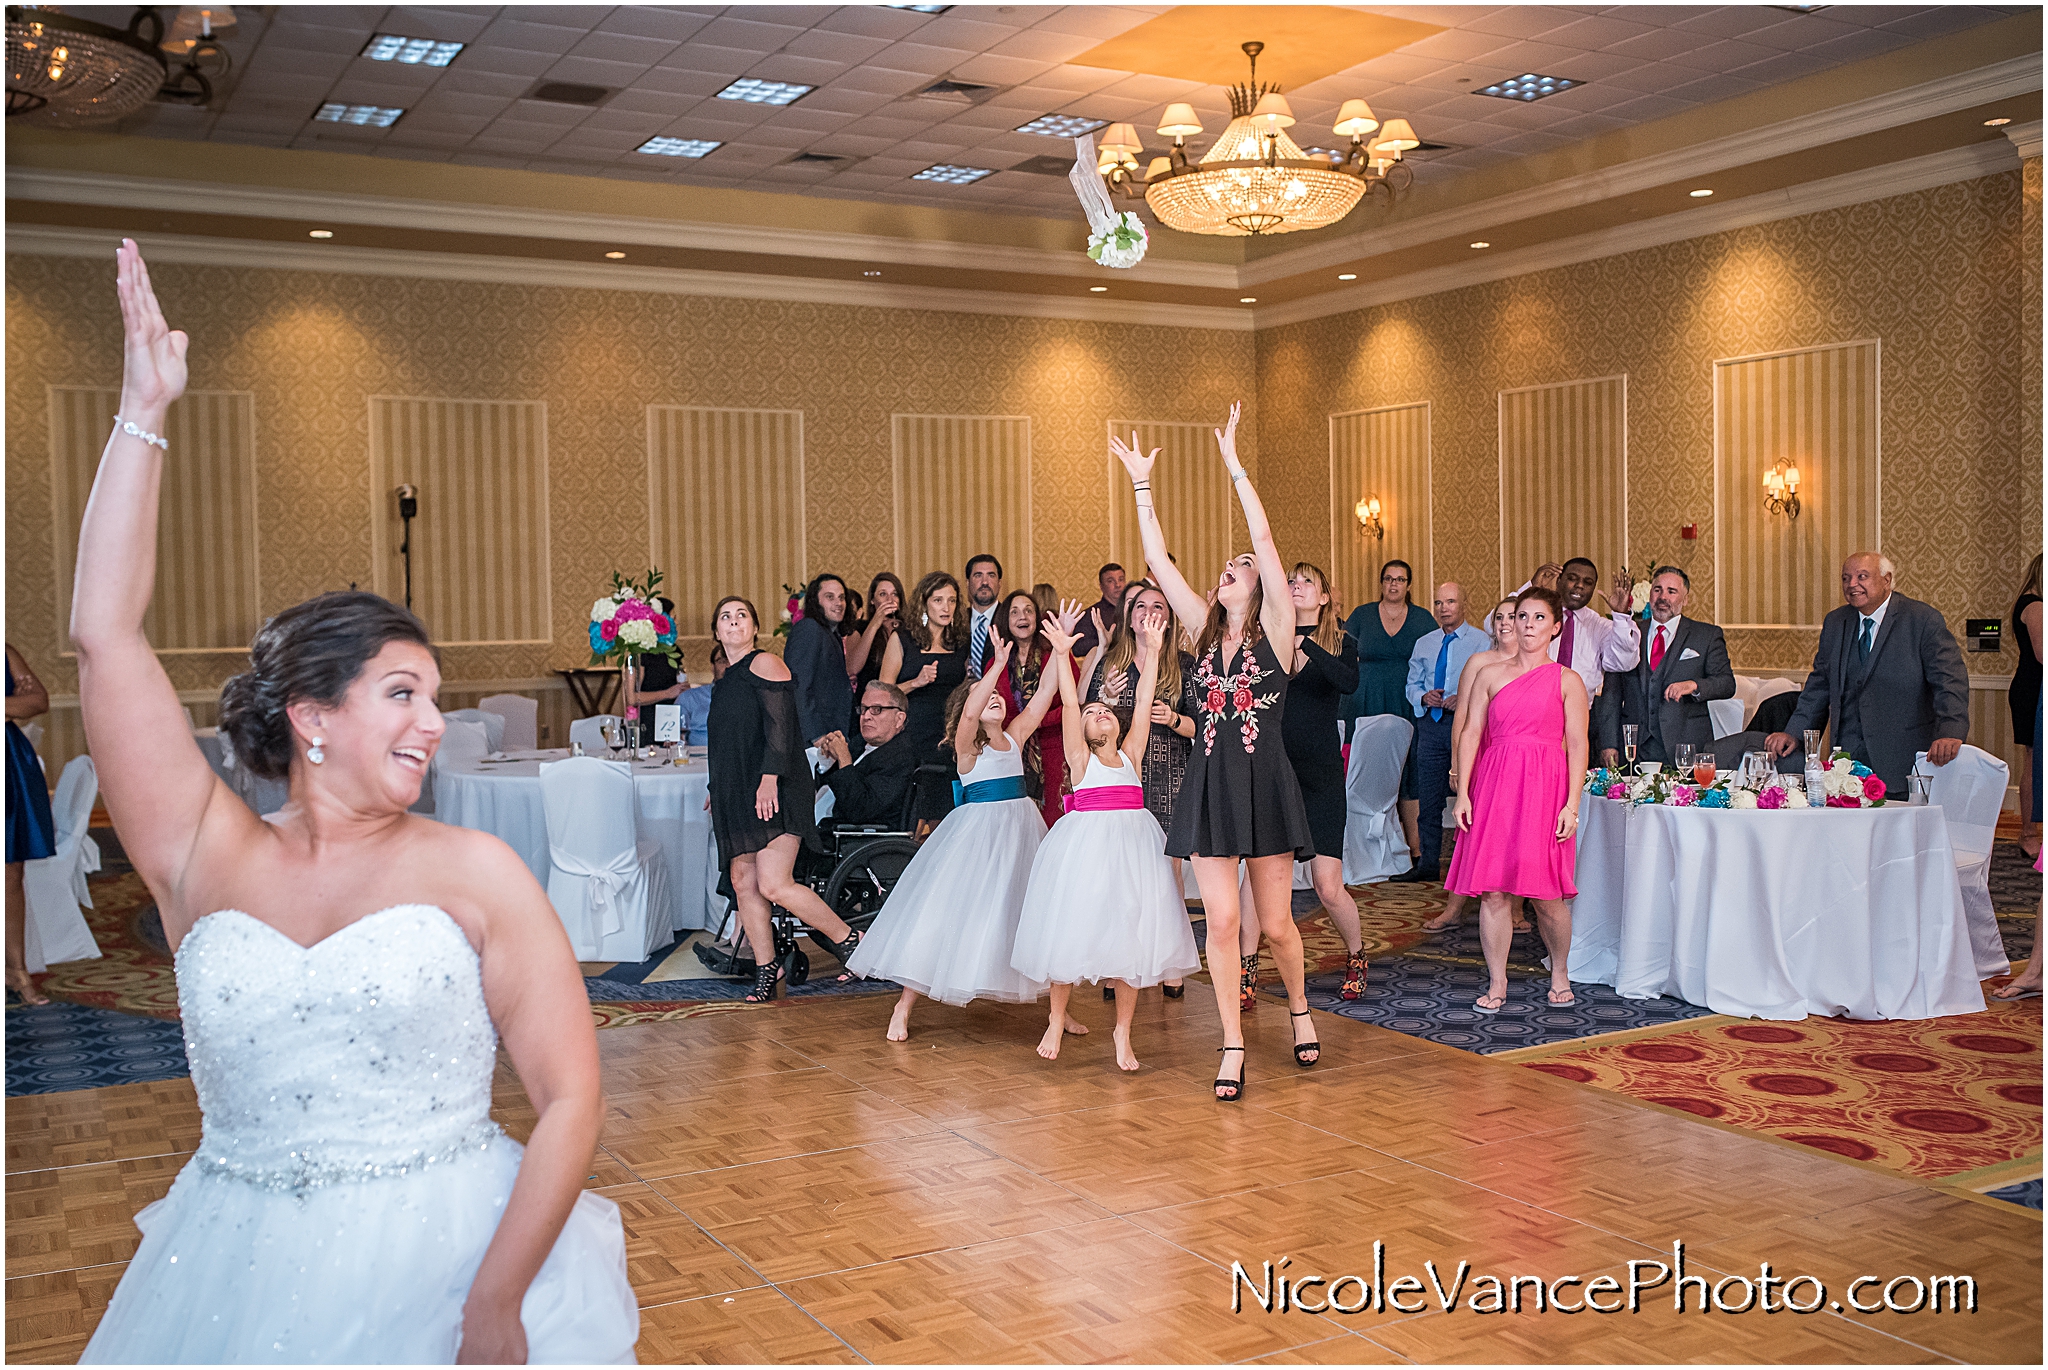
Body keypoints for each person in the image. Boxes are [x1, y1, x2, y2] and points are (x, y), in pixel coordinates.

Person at [75, 241, 636, 1363]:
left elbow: (570, 1098)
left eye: (434, 695)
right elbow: (103, 634)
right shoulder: (200, 853)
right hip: (231, 1271)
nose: (434, 720)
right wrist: (143, 412)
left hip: (450, 1260)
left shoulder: (476, 872)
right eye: (402, 692)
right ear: (312, 714)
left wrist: (497, 1297)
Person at [1112, 405, 1319, 1104]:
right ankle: (1232, 1042)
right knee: (1224, 922)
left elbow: (1261, 535)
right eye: (1227, 566)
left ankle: (1297, 1007)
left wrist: (1232, 461)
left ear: (1258, 584)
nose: (1230, 569)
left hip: (1264, 785)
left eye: (1241, 567)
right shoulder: (1199, 632)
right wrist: (1142, 485)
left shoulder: (1279, 630)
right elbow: (1155, 560)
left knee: (1280, 926)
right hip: (1209, 785)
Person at [844, 631, 1062, 1040]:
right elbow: (966, 718)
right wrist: (995, 666)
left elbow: (1043, 696)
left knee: (1030, 915)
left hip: (1021, 832)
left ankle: (1058, 1012)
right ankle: (904, 1005)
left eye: (998, 696)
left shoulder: (1014, 738)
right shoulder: (968, 747)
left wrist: (1061, 651)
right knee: (945, 916)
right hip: (978, 837)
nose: (995, 698)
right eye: (986, 697)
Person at [1012, 608, 1201, 1069]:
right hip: (1087, 851)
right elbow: (1073, 705)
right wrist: (1061, 654)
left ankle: (1122, 1032)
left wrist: (1153, 652)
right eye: (1093, 713)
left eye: (1103, 712)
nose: (1098, 714)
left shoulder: (1132, 754)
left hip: (1134, 850)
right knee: (1070, 932)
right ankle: (1056, 1017)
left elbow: (1140, 704)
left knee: (1129, 940)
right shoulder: (1080, 759)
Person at [705, 595, 863, 1003]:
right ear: (717, 631)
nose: (734, 621)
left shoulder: (766, 663)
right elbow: (725, 745)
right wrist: (713, 789)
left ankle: (850, 940)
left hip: (775, 787)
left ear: (754, 628)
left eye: (742, 615)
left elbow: (781, 729)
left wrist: (769, 779)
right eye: (725, 617)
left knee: (775, 882)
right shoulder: (724, 680)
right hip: (737, 793)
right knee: (744, 882)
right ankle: (766, 968)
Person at [1448, 587, 1589, 1016]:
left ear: (1555, 627)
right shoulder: (1490, 674)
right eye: (1521, 617)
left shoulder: (1568, 680)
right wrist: (1464, 792)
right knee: (1492, 892)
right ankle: (1498, 980)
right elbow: (1471, 732)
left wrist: (1571, 805)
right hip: (1495, 784)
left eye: (1538, 618)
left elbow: (1578, 745)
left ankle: (1560, 970)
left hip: (1545, 788)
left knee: (1547, 894)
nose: (1527, 625)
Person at [1242, 564, 1365, 1000]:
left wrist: (1306, 643)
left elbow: (1349, 683)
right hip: (1272, 772)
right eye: (1290, 581)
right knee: (1255, 879)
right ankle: (1246, 969)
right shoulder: (1266, 639)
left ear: (1325, 597)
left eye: (1306, 582)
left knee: (1327, 885)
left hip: (1320, 774)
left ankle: (1356, 953)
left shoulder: (1339, 642)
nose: (1296, 587)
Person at [1767, 552, 1970, 796]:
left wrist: (1950, 732)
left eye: (1862, 576)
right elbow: (1819, 685)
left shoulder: (1922, 620)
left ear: (1887, 580)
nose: (1852, 584)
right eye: (1846, 578)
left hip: (1901, 759)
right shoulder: (1835, 622)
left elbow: (1949, 682)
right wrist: (1794, 732)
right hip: (1846, 763)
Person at [1422, 596, 1523, 933]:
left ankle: (1518, 909)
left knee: (1516, 833)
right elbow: (1463, 718)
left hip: (1519, 759)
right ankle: (1454, 906)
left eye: (1513, 616)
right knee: (1473, 832)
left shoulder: (1534, 664)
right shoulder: (1479, 661)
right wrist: (1456, 767)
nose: (1505, 623)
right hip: (1481, 758)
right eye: (1500, 617)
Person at [1398, 583, 1492, 888]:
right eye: (1438, 603)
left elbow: (1489, 682)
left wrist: (1461, 698)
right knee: (1429, 798)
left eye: (1450, 602)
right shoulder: (1424, 643)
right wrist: (1424, 697)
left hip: (1468, 726)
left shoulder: (1481, 641)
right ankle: (1427, 863)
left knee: (1472, 795)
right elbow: (1411, 684)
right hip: (1432, 725)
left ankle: (1473, 865)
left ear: (1463, 604)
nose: (1444, 608)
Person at [1596, 566, 1734, 768]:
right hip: (1633, 747)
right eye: (1657, 589)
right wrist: (1609, 744)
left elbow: (1727, 684)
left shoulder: (1706, 635)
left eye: (1672, 591)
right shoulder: (1628, 633)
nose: (1663, 597)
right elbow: (1611, 694)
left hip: (1684, 747)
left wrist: (1694, 685)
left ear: (1685, 600)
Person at [1342, 560, 1432, 863]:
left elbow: (1434, 662)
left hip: (1407, 701)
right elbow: (1340, 655)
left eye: (1400, 579)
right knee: (1366, 769)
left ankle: (1415, 848)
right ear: (1381, 583)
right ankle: (1364, 848)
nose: (1394, 585)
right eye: (1388, 579)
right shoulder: (1362, 615)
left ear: (1408, 584)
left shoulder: (1422, 619)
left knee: (1409, 770)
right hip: (1364, 700)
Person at [880, 571, 969, 809]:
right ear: (924, 603)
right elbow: (882, 693)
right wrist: (915, 682)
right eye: (938, 600)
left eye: (951, 600)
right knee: (916, 806)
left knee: (945, 806)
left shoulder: (961, 641)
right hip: (914, 733)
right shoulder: (903, 639)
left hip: (949, 734)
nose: (946, 607)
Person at [1521, 559, 1640, 734]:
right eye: (1572, 578)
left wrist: (1621, 616)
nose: (1579, 586)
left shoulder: (1600, 626)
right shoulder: (1535, 616)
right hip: (1531, 717)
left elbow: (1624, 662)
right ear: (1559, 580)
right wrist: (1529, 592)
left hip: (1580, 722)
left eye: (1588, 582)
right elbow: (1495, 626)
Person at [986, 590, 1070, 828]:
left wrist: (1037, 721)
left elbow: (1072, 704)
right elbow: (988, 707)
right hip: (1011, 750)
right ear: (1006, 620)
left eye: (1028, 610)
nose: (1022, 616)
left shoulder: (1053, 655)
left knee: (1053, 820)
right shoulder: (996, 662)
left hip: (1053, 749)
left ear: (1037, 618)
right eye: (1014, 612)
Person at [5, 643, 55, 1005]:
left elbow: (37, 700)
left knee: (10, 875)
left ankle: (16, 971)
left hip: (7, 767)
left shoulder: (3, 651)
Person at [815, 681, 917, 828]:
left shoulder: (901, 758)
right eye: (863, 709)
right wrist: (827, 762)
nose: (866, 716)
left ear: (899, 719)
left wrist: (844, 759)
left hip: (849, 838)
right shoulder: (858, 743)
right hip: (821, 823)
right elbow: (830, 785)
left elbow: (859, 810)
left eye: (876, 709)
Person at [783, 573, 855, 756]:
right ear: (816, 601)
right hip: (814, 740)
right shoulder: (809, 628)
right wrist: (815, 736)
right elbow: (798, 686)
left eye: (841, 597)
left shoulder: (831, 634)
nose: (838, 603)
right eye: (830, 597)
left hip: (829, 736)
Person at [844, 571, 904, 735]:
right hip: (870, 709)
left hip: (901, 705)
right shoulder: (860, 628)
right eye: (883, 594)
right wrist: (875, 623)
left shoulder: (909, 630)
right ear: (872, 600)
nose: (890, 600)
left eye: (894, 594)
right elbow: (852, 667)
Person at [2010, 554, 2042, 858]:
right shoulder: (2034, 604)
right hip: (2034, 691)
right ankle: (2028, 834)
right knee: (2035, 762)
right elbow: (2043, 653)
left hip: (2035, 688)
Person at [1072, 562, 1127, 656]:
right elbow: (1078, 648)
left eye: (1121, 579)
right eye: (1110, 581)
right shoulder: (1090, 614)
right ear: (1101, 586)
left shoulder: (1134, 610)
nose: (1117, 584)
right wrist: (1104, 641)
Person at [963, 553, 1004, 677]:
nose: (985, 582)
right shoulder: (956, 620)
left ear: (999, 583)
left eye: (991, 575)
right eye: (978, 575)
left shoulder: (1009, 619)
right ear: (967, 583)